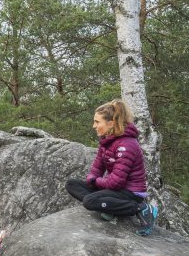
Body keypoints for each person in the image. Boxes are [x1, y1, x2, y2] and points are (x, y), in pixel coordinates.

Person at [65, 98, 157, 235]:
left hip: (130, 193)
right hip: (115, 190)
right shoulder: (107, 142)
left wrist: (95, 182)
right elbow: (96, 169)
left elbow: (116, 182)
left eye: (97, 122)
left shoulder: (126, 145)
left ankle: (141, 208)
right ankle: (110, 207)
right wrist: (92, 179)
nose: (93, 126)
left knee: (89, 201)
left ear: (111, 123)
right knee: (71, 184)